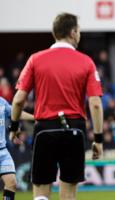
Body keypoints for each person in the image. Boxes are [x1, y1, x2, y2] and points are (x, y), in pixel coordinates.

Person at [9, 13, 104, 200]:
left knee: (41, 192)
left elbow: (18, 99)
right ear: (72, 32)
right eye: (79, 31)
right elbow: (95, 103)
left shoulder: (36, 59)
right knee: (68, 194)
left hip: (45, 129)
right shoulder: (86, 62)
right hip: (74, 129)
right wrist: (98, 140)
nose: (80, 35)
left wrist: (14, 127)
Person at [0, 96, 34, 200]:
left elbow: (15, 112)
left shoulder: (1, 101)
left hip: (2, 150)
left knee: (11, 182)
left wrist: (35, 117)